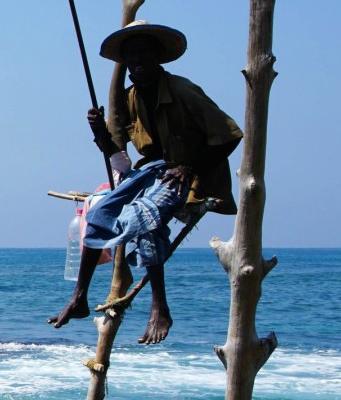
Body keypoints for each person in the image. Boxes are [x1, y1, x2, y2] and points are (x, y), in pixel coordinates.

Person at [47, 21, 242, 344]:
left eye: (143, 54)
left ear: (157, 57)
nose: (137, 62)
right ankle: (79, 297)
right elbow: (118, 157)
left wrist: (190, 168)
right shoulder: (129, 98)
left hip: (192, 176)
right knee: (95, 216)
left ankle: (159, 306)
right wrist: (100, 134)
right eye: (130, 57)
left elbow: (230, 136)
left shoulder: (182, 90)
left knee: (143, 217)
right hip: (151, 175)